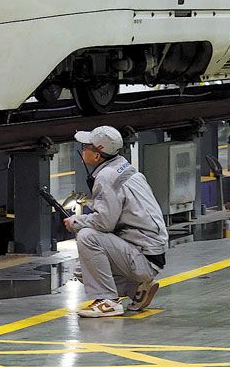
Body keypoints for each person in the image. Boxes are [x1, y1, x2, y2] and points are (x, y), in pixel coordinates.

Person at [64, 125, 167, 318]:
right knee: (82, 270)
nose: (82, 150)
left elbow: (104, 223)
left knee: (87, 236)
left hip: (143, 257)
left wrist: (77, 222)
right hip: (150, 253)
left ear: (97, 155)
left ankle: (107, 301)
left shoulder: (106, 177)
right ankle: (136, 288)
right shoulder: (123, 166)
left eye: (86, 147)